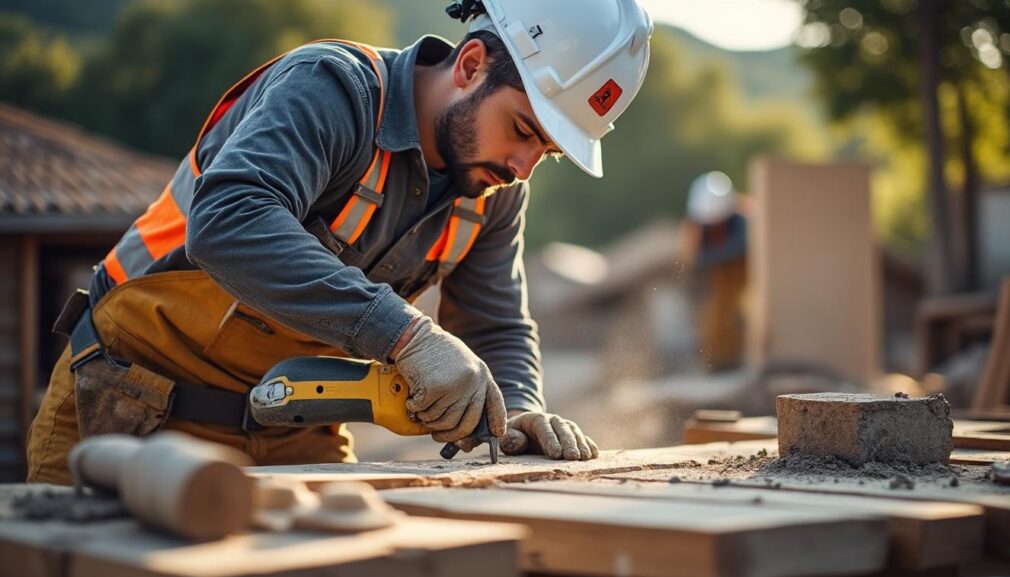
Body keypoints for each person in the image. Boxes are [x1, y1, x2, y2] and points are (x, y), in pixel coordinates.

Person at [26, 0, 653, 484]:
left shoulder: (494, 189)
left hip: (297, 426)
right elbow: (228, 220)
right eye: (523, 129)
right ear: (469, 66)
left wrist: (516, 409)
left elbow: (496, 323)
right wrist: (405, 335)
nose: (522, 166)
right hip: (130, 403)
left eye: (547, 151)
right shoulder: (334, 91)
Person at [680, 171, 748, 372]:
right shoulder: (694, 230)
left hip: (740, 271)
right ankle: (718, 360)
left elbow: (744, 246)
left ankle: (734, 356)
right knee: (714, 314)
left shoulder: (745, 220)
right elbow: (692, 260)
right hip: (713, 277)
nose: (715, 226)